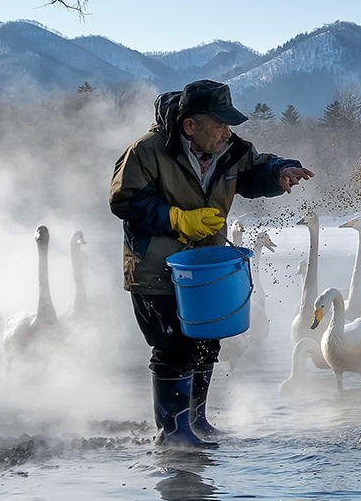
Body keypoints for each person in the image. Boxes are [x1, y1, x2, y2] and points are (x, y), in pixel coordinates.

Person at [109, 80, 313, 447]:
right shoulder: (147, 152)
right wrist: (176, 219)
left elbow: (255, 170)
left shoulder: (229, 151)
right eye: (219, 124)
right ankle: (173, 432)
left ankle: (196, 422)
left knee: (206, 341)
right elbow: (125, 200)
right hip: (156, 269)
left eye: (228, 124)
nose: (226, 132)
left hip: (205, 268)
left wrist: (280, 171)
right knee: (173, 348)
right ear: (190, 125)